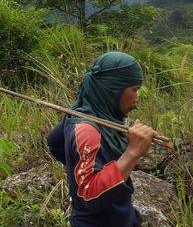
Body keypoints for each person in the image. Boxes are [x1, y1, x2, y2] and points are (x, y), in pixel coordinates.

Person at [47, 51, 158, 227]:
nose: (137, 99)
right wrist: (132, 152)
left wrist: (78, 169)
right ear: (112, 89)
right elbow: (90, 195)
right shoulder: (86, 129)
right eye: (134, 90)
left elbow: (54, 143)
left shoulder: (86, 114)